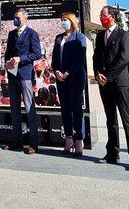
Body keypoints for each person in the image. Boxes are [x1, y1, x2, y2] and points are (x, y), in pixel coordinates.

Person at [93, 6, 129, 170]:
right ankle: (112, 153)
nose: (101, 18)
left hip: (119, 83)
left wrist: (108, 76)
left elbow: (123, 59)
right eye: (101, 15)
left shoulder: (123, 34)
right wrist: (98, 73)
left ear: (112, 16)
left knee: (126, 118)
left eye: (104, 15)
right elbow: (96, 57)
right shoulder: (100, 36)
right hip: (104, 83)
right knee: (110, 120)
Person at [2, 8, 42, 154]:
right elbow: (8, 53)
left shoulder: (32, 34)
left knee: (29, 108)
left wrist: (21, 59)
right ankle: (16, 141)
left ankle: (33, 143)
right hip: (12, 75)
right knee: (14, 110)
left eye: (18, 17)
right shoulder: (12, 34)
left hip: (25, 74)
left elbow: (37, 53)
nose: (15, 20)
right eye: (14, 17)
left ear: (25, 18)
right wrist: (7, 62)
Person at [52, 12, 87, 156]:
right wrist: (57, 71)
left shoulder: (80, 37)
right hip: (61, 79)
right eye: (61, 20)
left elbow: (80, 59)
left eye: (65, 20)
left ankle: (79, 139)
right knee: (65, 108)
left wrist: (68, 72)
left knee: (76, 108)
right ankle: (68, 138)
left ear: (72, 21)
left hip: (75, 77)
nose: (63, 22)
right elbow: (54, 57)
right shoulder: (58, 38)